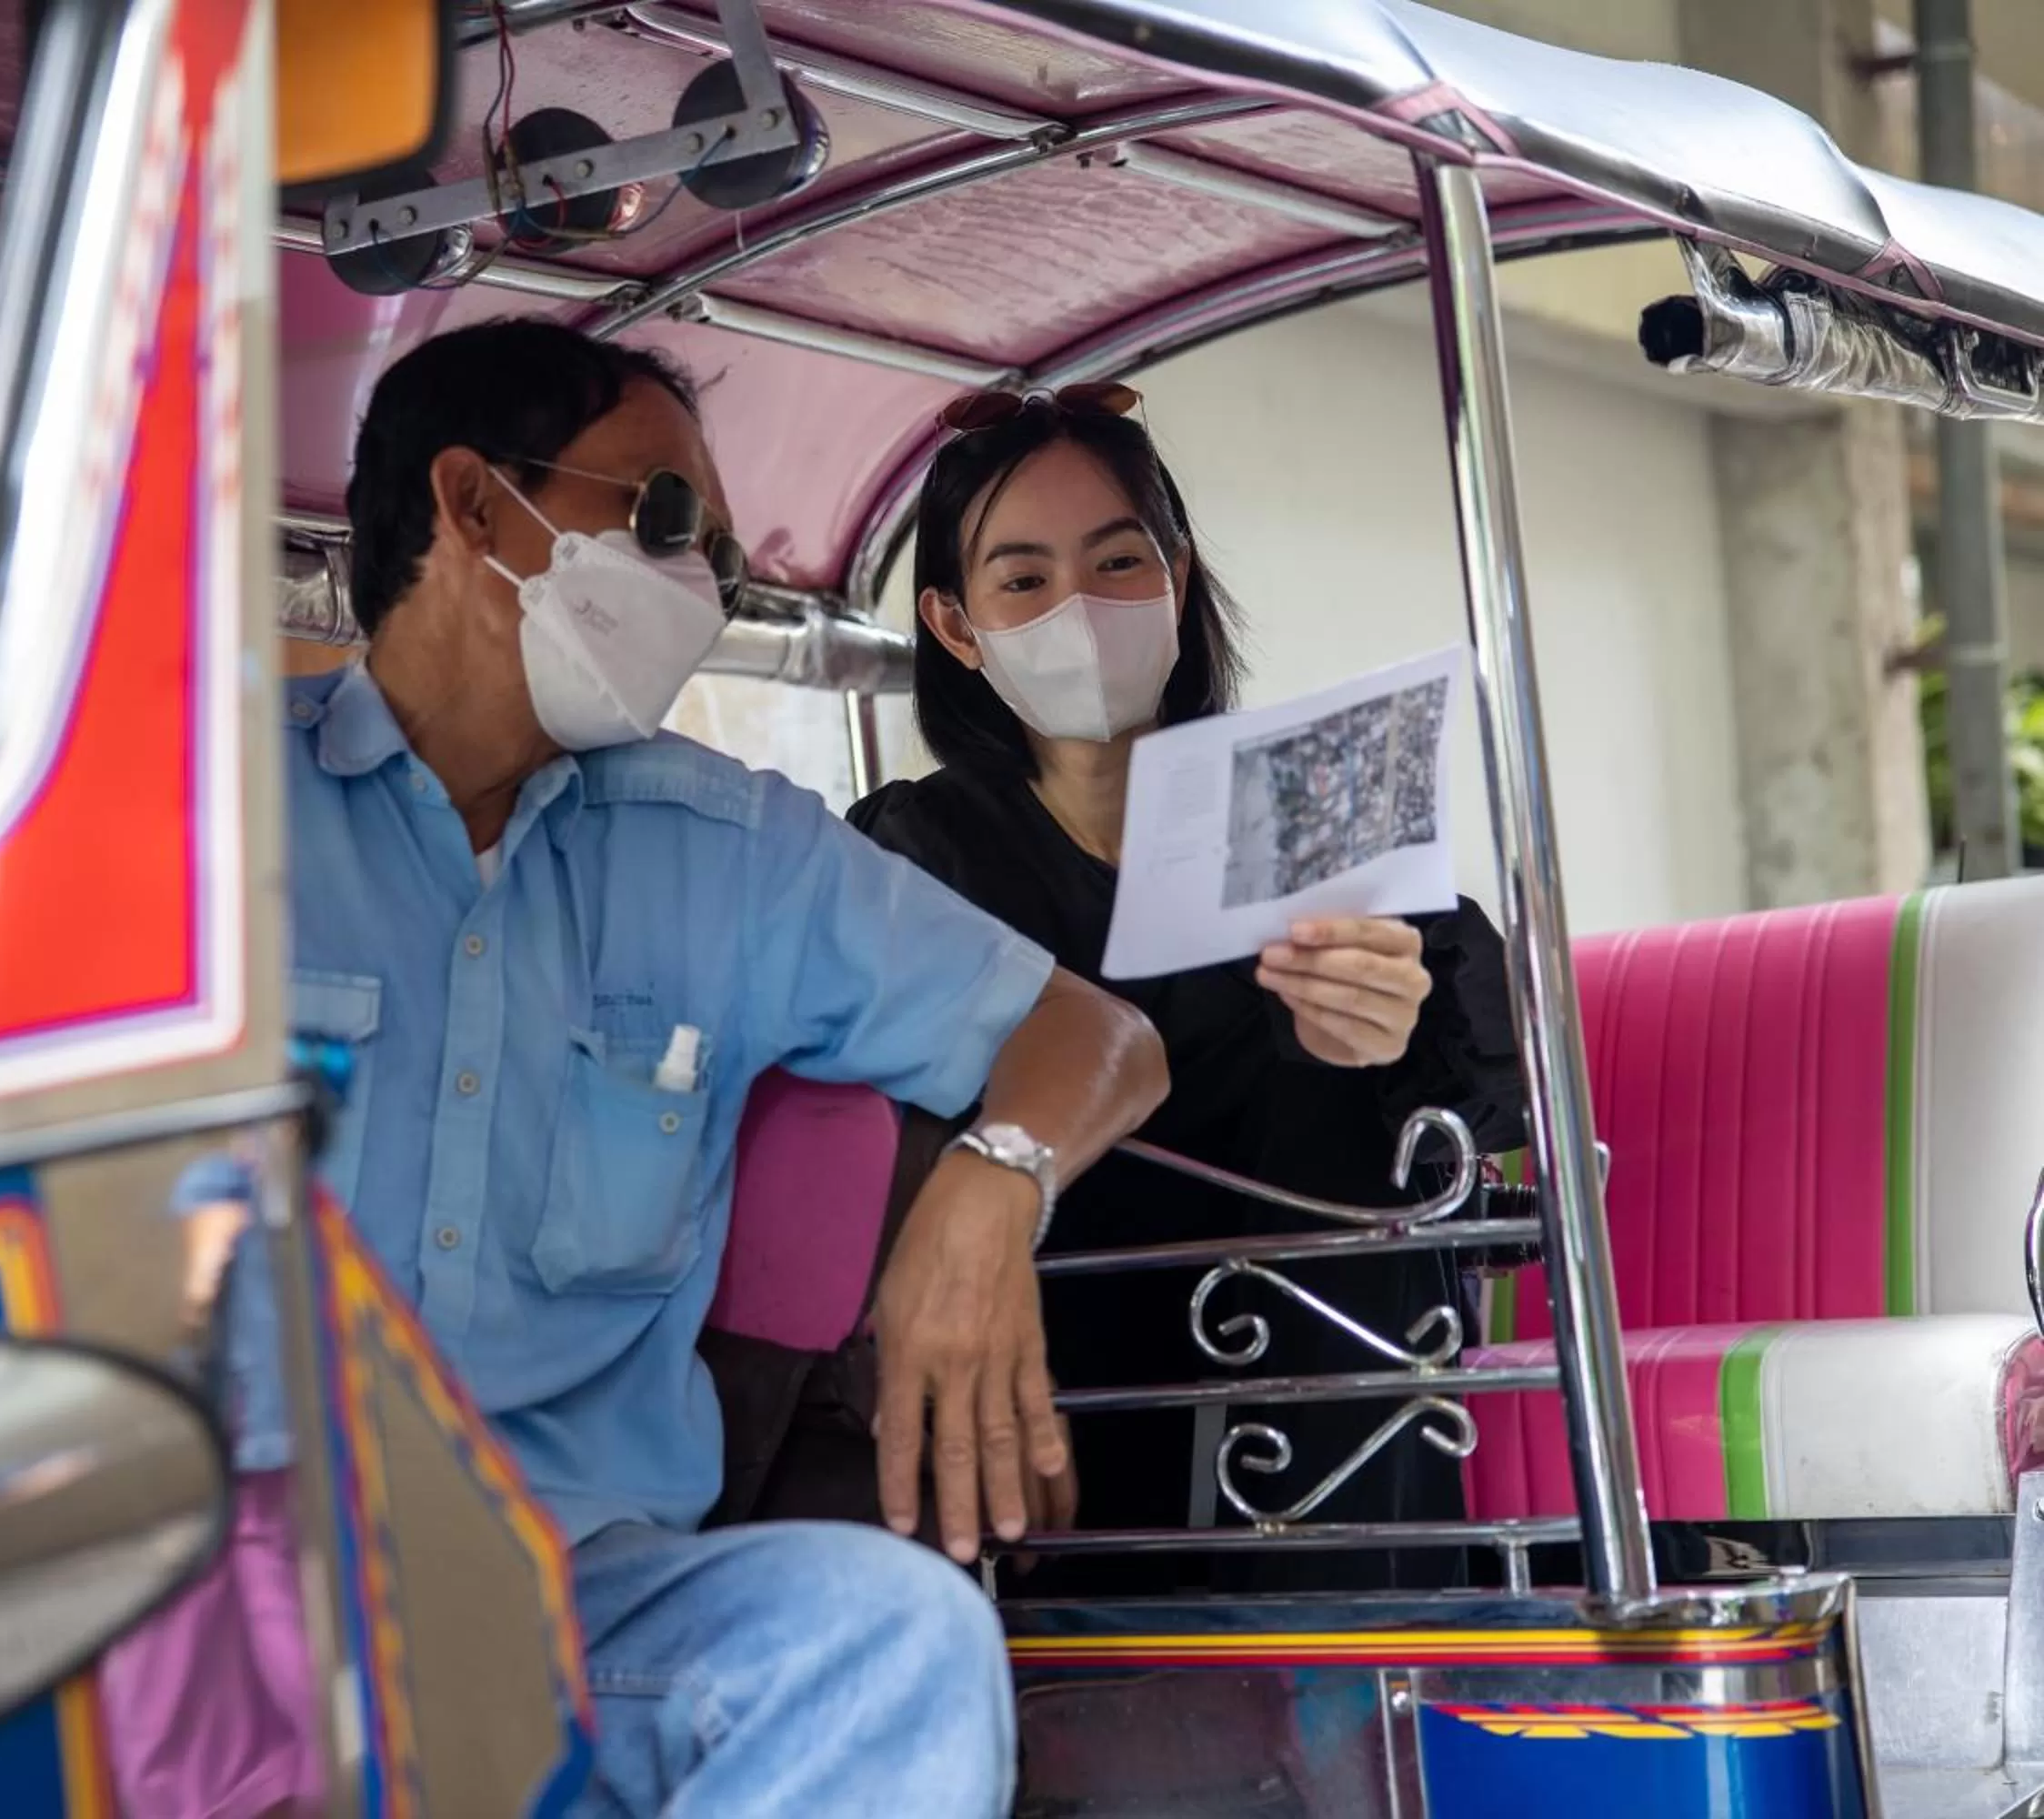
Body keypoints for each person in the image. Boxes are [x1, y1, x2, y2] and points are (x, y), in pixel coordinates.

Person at [256, 320, 1168, 1815]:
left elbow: (1099, 1045)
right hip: (225, 1600)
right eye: (664, 516)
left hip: (571, 1617)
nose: (697, 585)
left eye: (721, 561)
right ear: (475, 505)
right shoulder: (194, 813)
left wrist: (992, 1187)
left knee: (891, 1640)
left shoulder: (731, 858)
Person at [847, 383, 1528, 1596]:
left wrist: (1388, 1027)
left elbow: (1470, 1127)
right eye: (1022, 580)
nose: (1078, 610)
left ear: (1178, 574)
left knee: (1339, 1123)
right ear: (956, 626)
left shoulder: (1308, 803)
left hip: (1334, 1408)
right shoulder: (915, 854)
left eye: (1117, 561)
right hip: (1058, 1394)